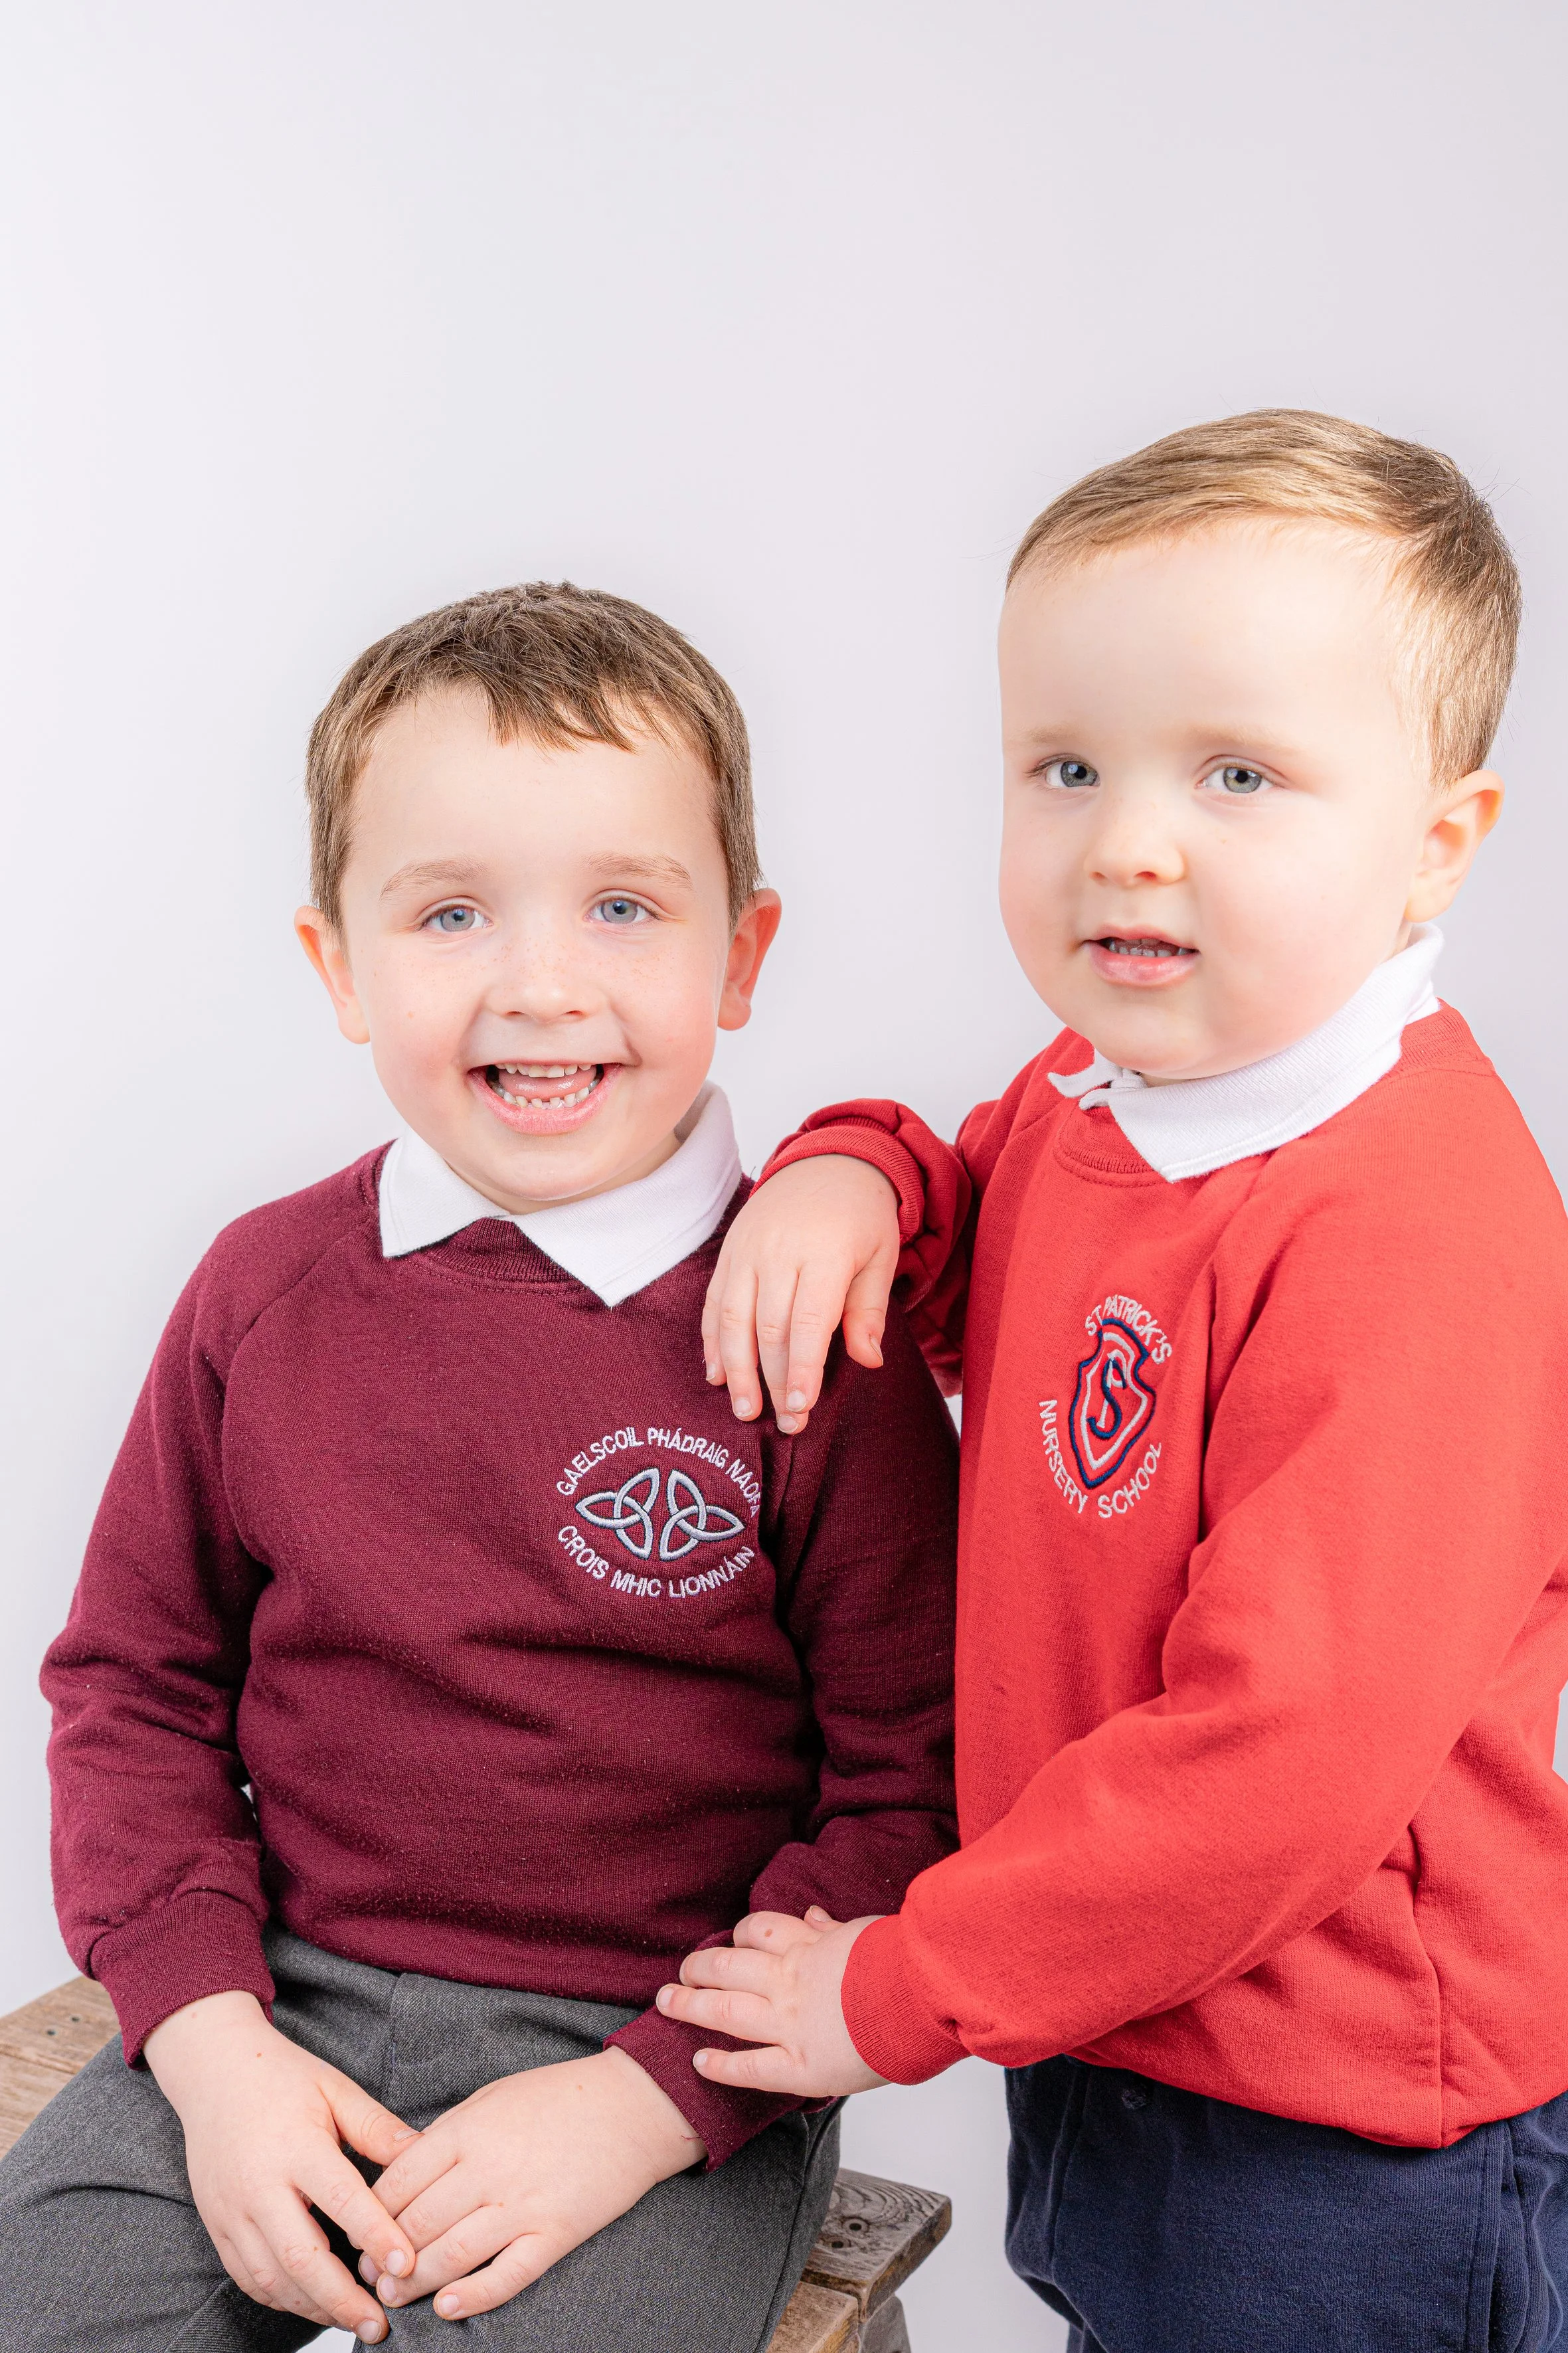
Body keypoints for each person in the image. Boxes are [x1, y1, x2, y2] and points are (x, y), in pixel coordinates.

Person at [660, 412, 1568, 2353]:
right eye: (1065, 764)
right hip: (1116, 2001)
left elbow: (1271, 1769)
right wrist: (860, 1167)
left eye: (1241, 773)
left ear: (1437, 841)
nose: (1127, 836)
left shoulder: (1409, 1242)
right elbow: (978, 1232)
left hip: (1344, 2113)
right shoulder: (1117, 1089)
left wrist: (900, 1986)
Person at [0, 582, 959, 2351]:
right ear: (338, 964)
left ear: (741, 952)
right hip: (274, 1997)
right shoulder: (260, 1292)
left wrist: (652, 2098)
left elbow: (911, 1786)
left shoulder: (813, 1326)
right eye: (450, 910)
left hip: (656, 2060)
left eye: (620, 903)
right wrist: (211, 2048)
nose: (539, 980)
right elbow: (131, 1680)